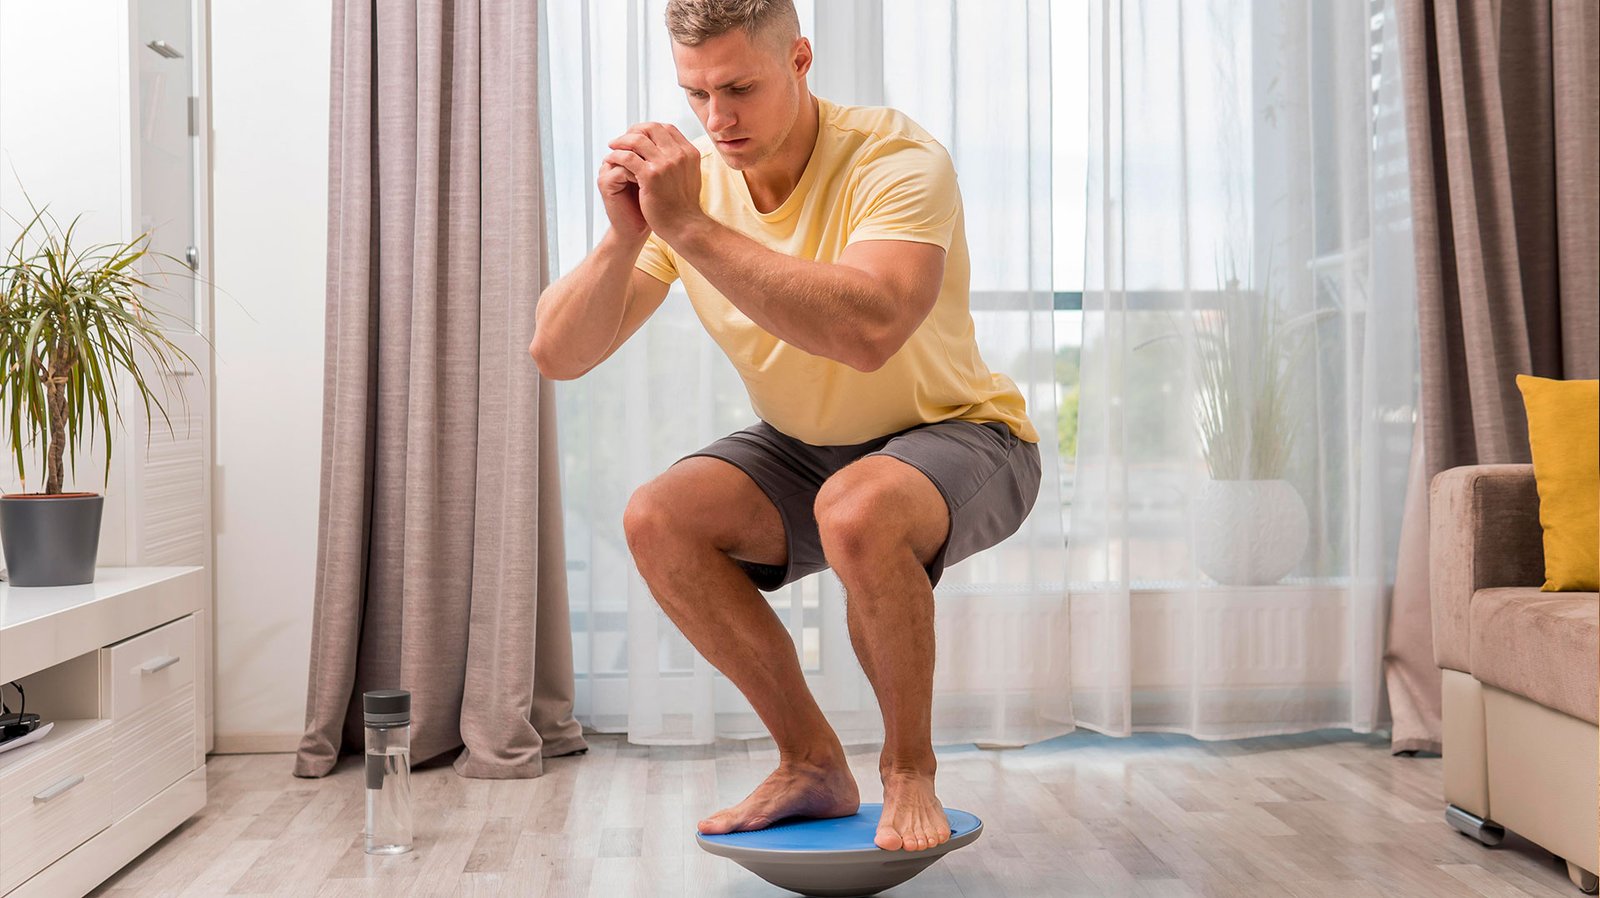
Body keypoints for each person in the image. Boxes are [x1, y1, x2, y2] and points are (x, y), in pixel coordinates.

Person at [530, 0, 1040, 854]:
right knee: (658, 518)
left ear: (799, 60)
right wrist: (625, 239)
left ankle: (908, 770)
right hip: (806, 447)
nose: (716, 118)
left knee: (857, 507)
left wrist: (689, 227)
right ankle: (811, 763)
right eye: (696, 94)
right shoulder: (694, 190)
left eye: (739, 88)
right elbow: (557, 353)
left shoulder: (893, 156)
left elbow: (869, 332)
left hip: (963, 431)